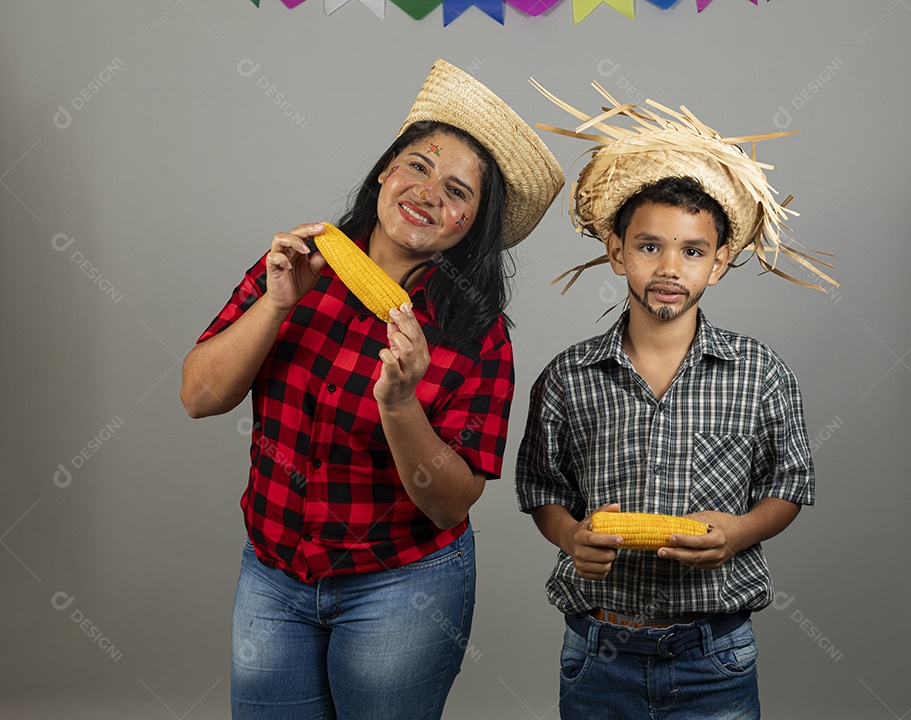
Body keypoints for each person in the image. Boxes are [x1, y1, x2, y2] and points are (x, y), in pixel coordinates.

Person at [180, 59, 562, 720]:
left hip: (402, 588)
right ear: (386, 170)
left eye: (457, 191)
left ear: (473, 222)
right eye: (417, 164)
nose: (427, 193)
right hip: (272, 576)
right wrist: (275, 307)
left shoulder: (476, 334)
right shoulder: (298, 263)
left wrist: (399, 403)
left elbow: (450, 503)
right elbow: (199, 396)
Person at [516, 82, 837, 719]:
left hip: (713, 650)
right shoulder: (568, 376)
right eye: (649, 245)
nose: (670, 267)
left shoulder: (759, 372)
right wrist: (571, 535)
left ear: (718, 263)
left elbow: (791, 482)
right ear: (616, 252)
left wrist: (741, 530)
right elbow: (541, 488)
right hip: (599, 645)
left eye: (692, 251)